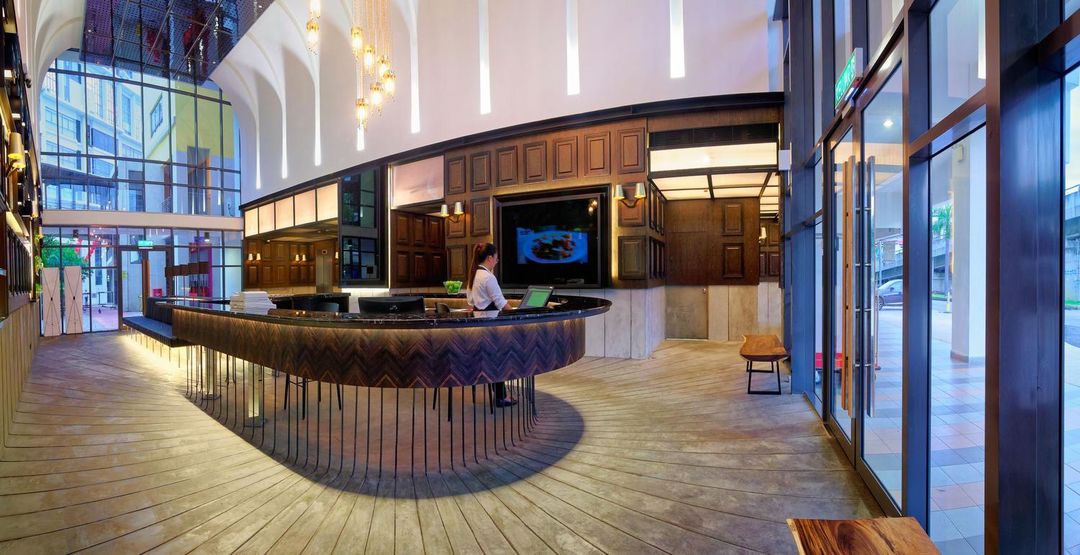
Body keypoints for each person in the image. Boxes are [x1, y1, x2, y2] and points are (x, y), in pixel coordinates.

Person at [467, 242, 517, 407]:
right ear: (489, 258)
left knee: (496, 358)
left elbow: (471, 302)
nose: (497, 260)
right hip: (491, 328)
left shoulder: (474, 274)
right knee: (501, 358)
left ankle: (501, 394)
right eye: (496, 258)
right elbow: (501, 303)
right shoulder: (488, 277)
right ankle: (501, 397)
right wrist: (517, 313)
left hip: (479, 328)